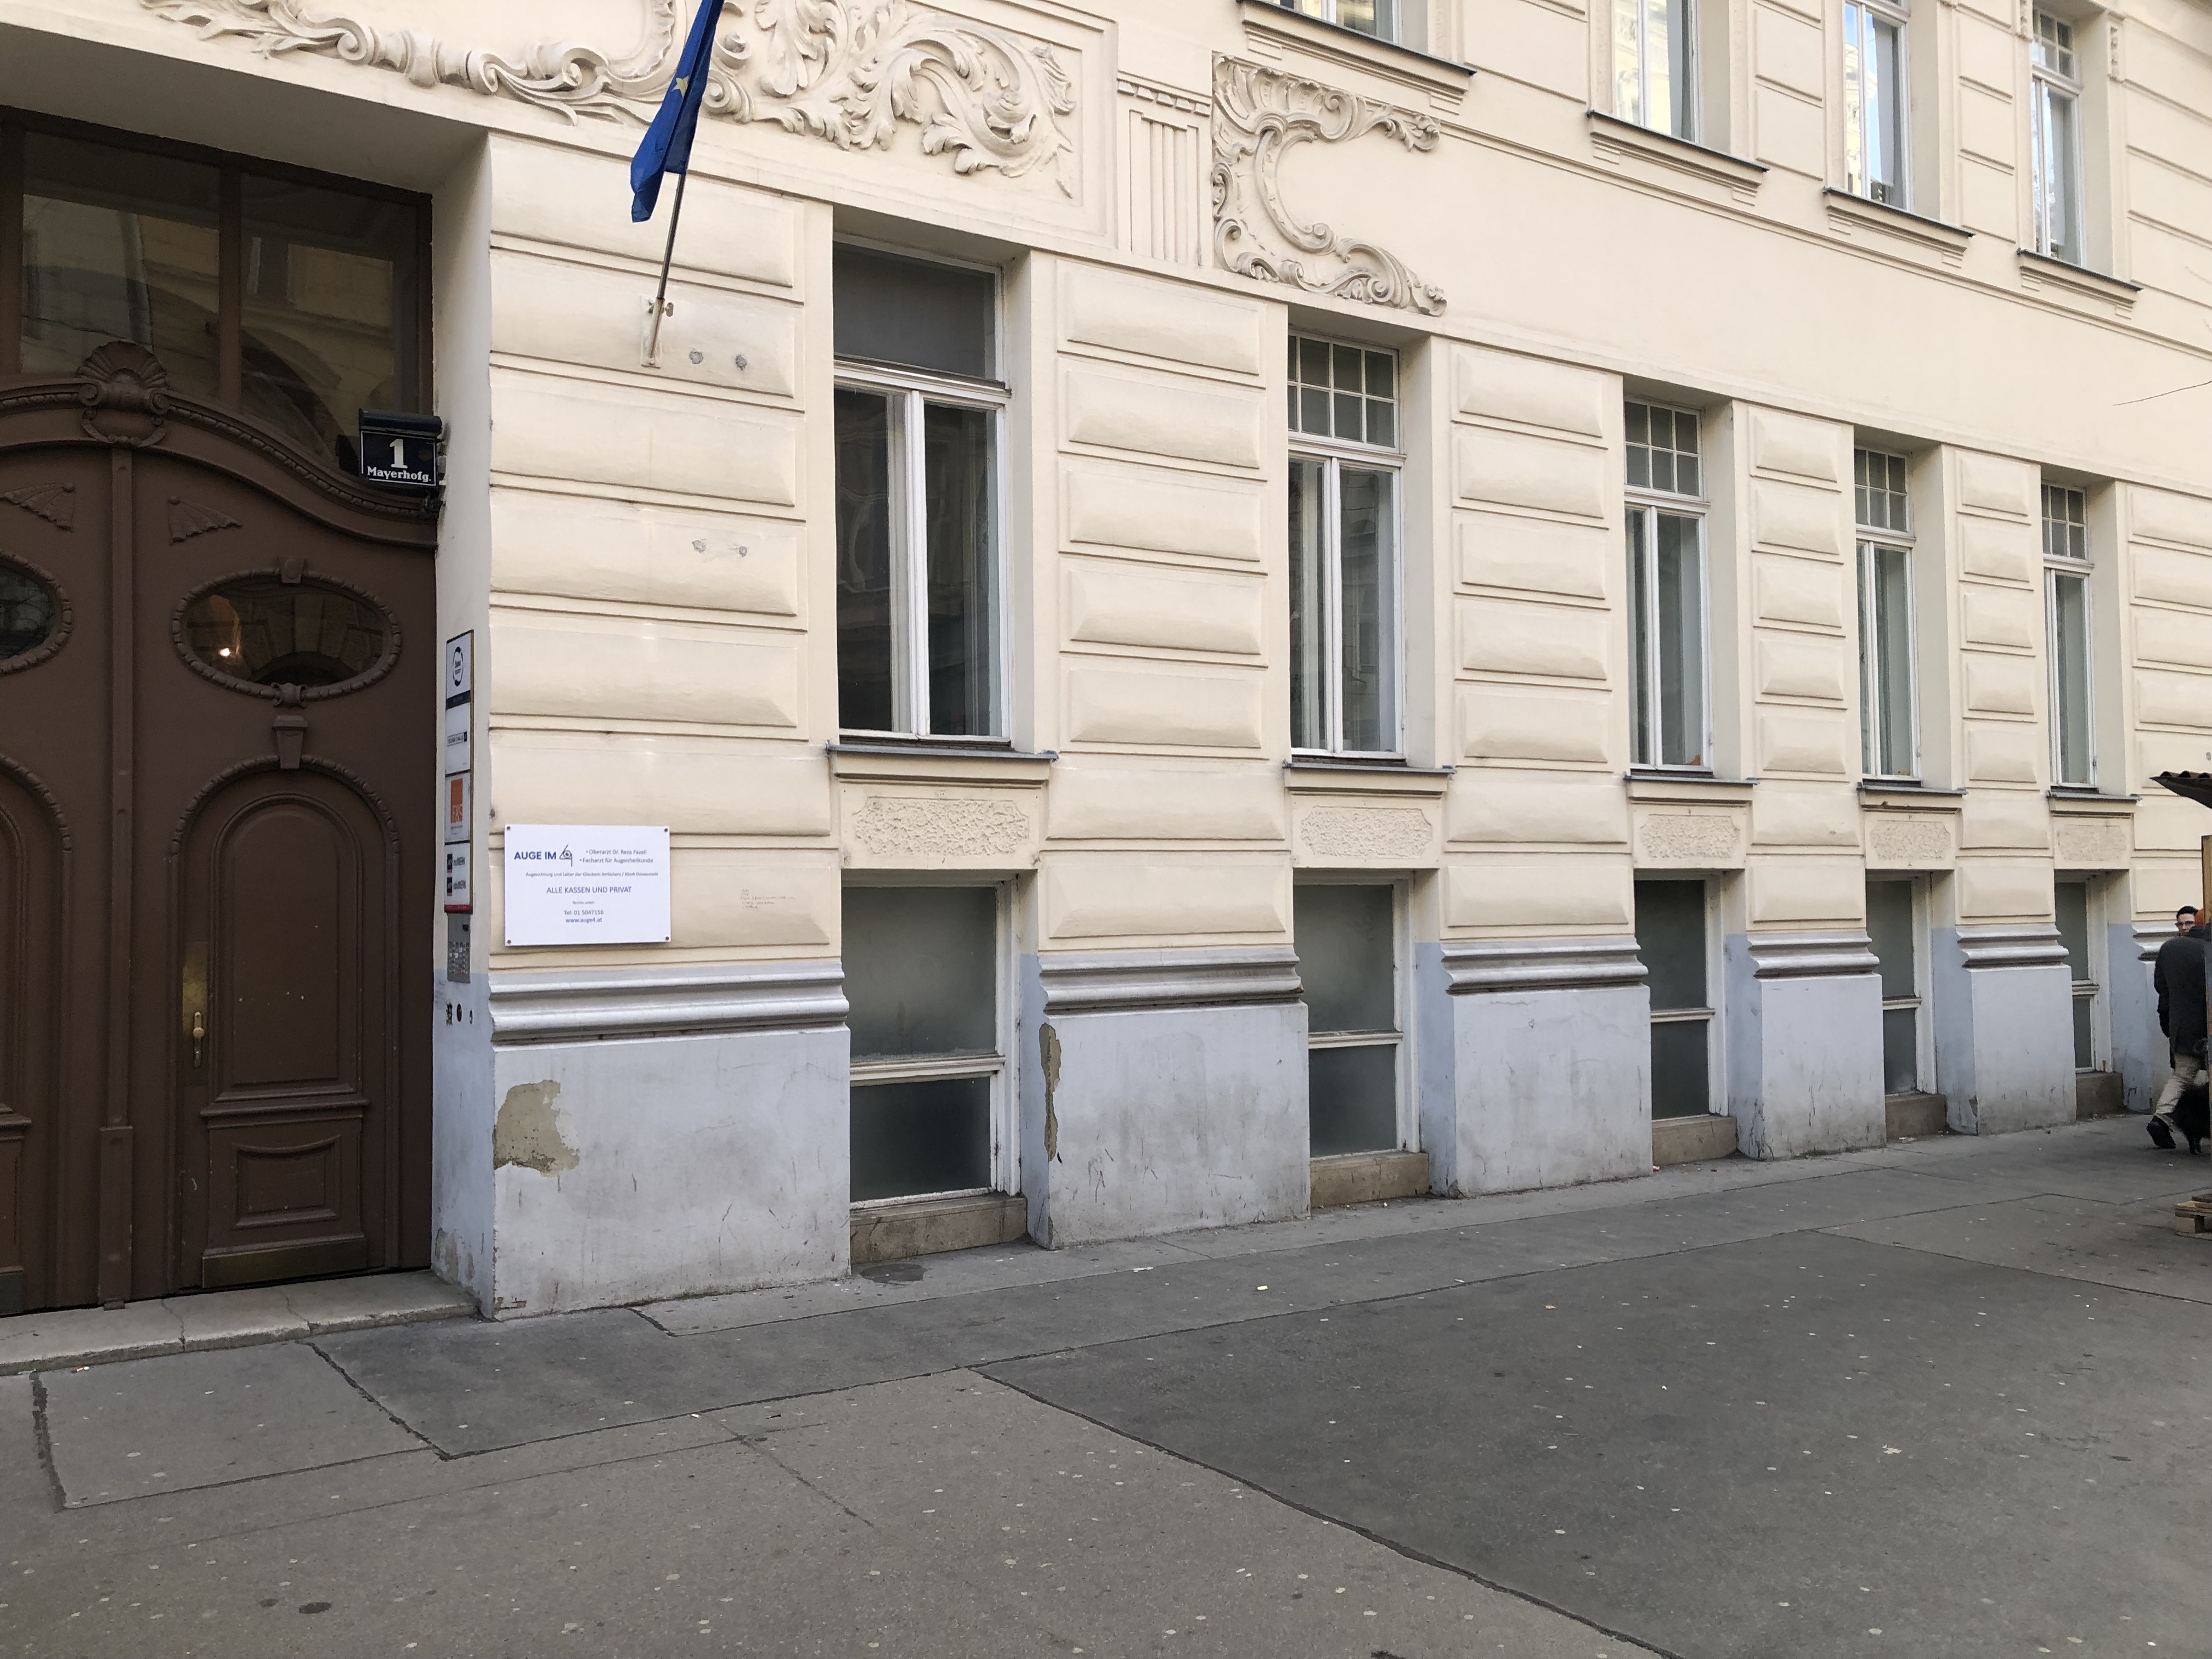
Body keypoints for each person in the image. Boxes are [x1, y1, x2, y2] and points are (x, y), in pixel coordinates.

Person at [2149, 906, 2208, 1149]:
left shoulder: (2169, 948)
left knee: (2182, 1076)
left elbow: (2161, 987)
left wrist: (2170, 1017)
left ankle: (2161, 1118)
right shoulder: (2207, 948)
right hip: (2208, 1025)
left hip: (2182, 1025)